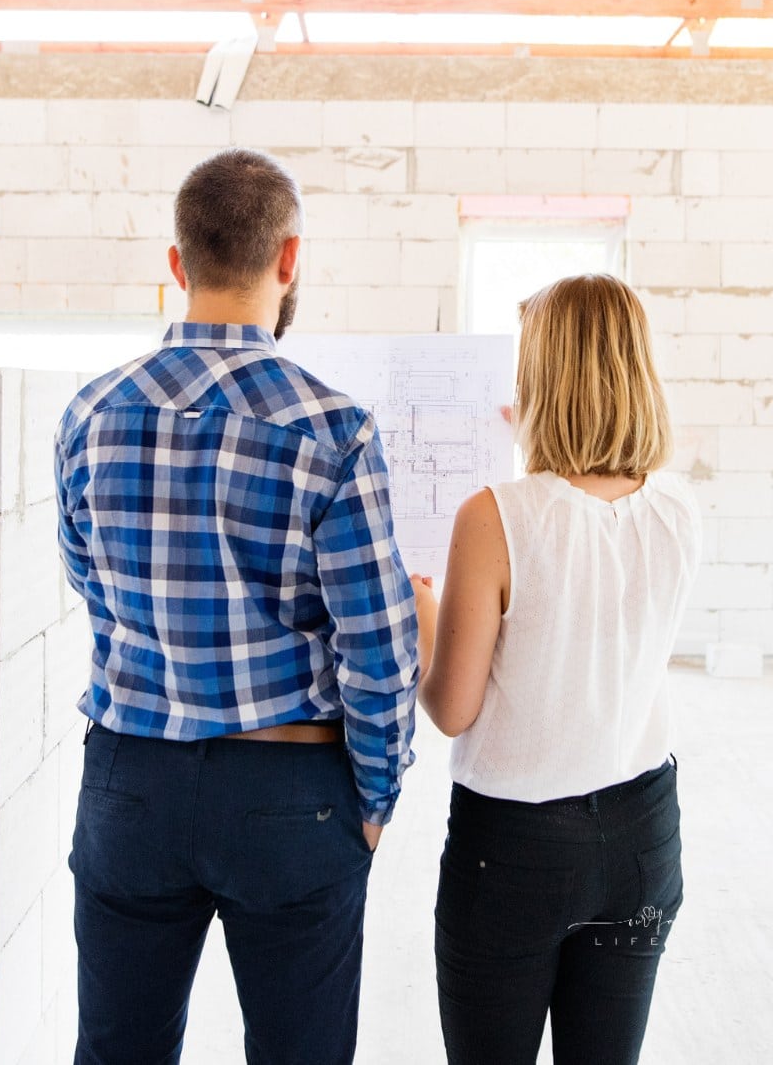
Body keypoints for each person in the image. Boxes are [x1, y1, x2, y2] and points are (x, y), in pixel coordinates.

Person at [54, 148, 418, 1065]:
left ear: (177, 265)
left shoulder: (89, 414)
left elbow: (90, 584)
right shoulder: (335, 428)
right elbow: (377, 649)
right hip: (290, 791)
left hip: (129, 782)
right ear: (289, 259)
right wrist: (376, 796)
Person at [411, 273, 702, 1065]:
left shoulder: (493, 516)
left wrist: (418, 607)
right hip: (643, 837)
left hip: (514, 852)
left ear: (544, 377)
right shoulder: (679, 509)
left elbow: (452, 709)